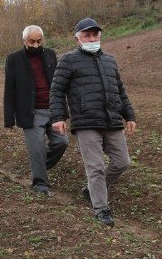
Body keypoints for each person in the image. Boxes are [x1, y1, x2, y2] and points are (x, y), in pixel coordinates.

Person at [50, 17, 136, 227]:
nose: (92, 38)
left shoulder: (110, 61)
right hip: (86, 122)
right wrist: (58, 117)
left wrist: (129, 115)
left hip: (112, 120)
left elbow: (120, 90)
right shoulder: (68, 61)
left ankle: (91, 189)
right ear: (78, 38)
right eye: (87, 35)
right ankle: (101, 209)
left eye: (95, 34)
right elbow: (57, 90)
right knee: (95, 167)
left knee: (122, 162)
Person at [3, 25, 69, 195]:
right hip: (31, 113)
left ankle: (39, 166)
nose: (35, 45)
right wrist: (8, 120)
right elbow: (9, 90)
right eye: (31, 41)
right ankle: (40, 185)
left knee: (62, 142)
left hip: (52, 110)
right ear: (24, 40)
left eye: (39, 41)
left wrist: (62, 110)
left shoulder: (50, 54)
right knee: (37, 148)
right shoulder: (14, 59)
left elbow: (58, 84)